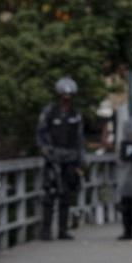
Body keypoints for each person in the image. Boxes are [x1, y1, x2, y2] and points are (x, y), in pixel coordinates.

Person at [37, 76, 85, 241]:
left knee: (66, 194)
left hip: (70, 159)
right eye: (64, 97)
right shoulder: (50, 112)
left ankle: (63, 230)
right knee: (49, 194)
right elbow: (41, 134)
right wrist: (47, 151)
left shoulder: (75, 114)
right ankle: (46, 231)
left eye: (69, 97)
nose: (66, 100)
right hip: (53, 158)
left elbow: (79, 139)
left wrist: (80, 162)